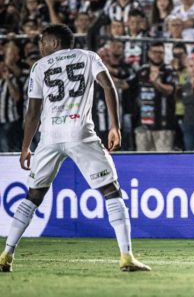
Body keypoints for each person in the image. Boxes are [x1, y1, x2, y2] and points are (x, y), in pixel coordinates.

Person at [0, 24, 150, 272]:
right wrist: (114, 125)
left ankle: (6, 255)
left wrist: (26, 147)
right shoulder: (88, 57)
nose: (40, 47)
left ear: (55, 43)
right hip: (79, 131)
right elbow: (108, 86)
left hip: (49, 137)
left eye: (43, 42)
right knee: (111, 191)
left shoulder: (39, 67)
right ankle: (126, 256)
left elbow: (33, 112)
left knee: (34, 195)